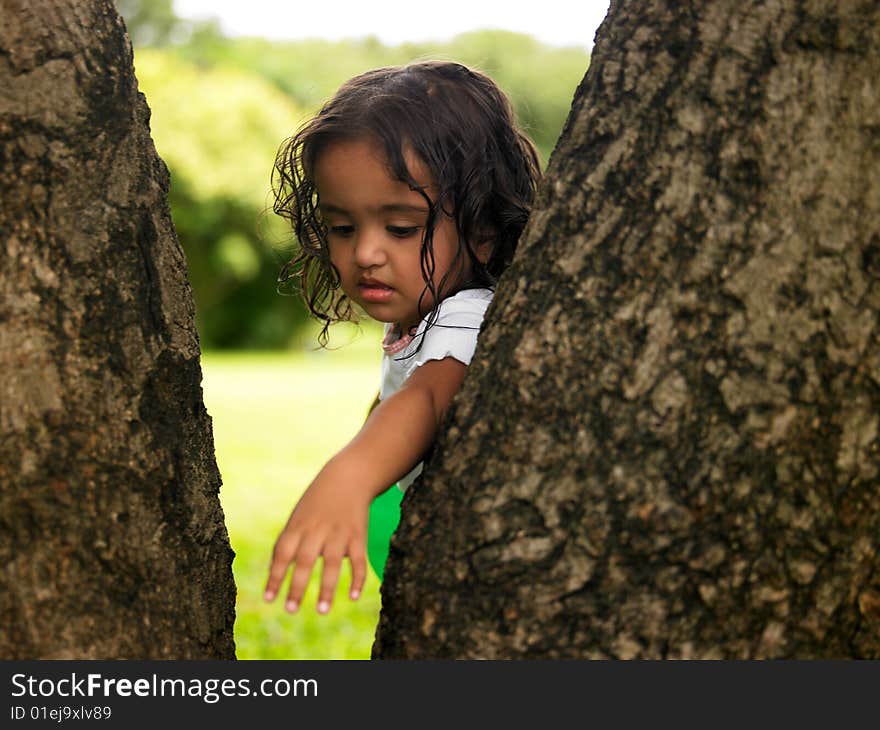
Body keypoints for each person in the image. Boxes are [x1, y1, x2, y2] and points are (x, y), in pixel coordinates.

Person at [264, 61, 541, 614]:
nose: (366, 253)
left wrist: (352, 473)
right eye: (343, 227)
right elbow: (394, 394)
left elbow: (427, 396)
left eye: (401, 228)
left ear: (483, 231)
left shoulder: (467, 312)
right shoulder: (422, 311)